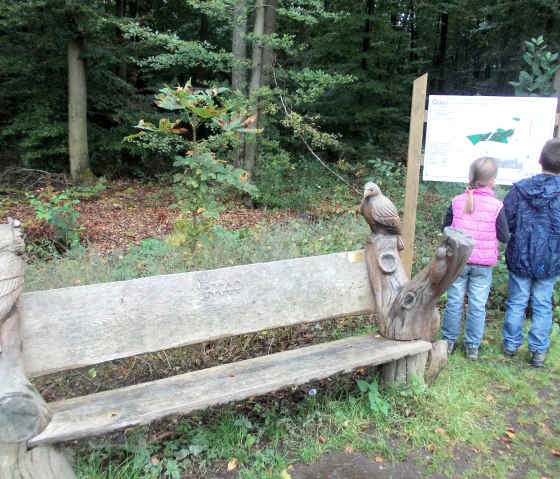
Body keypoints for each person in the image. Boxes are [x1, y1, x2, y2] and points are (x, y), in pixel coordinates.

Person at [441, 157, 510, 361]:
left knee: (454, 301)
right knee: (477, 305)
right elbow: (504, 236)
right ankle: (472, 347)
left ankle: (448, 341)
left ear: (470, 176)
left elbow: (445, 228)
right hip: (483, 265)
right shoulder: (497, 205)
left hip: (458, 262)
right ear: (492, 181)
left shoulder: (457, 201)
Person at [501, 138, 560, 368]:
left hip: (521, 254)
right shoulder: (520, 190)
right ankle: (537, 351)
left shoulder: (519, 190)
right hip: (551, 257)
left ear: (539, 160)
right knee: (543, 302)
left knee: (517, 300)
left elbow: (507, 220)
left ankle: (510, 344)